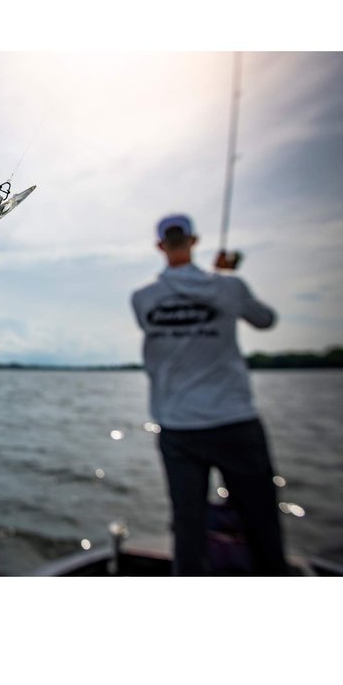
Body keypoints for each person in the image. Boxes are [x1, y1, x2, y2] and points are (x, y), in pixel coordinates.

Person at [131, 213, 288, 575]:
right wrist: (226, 276)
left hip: (178, 429)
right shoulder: (229, 288)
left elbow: (166, 314)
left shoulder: (143, 298)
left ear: (160, 246)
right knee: (261, 522)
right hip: (235, 423)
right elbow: (265, 320)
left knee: (188, 526)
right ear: (193, 241)